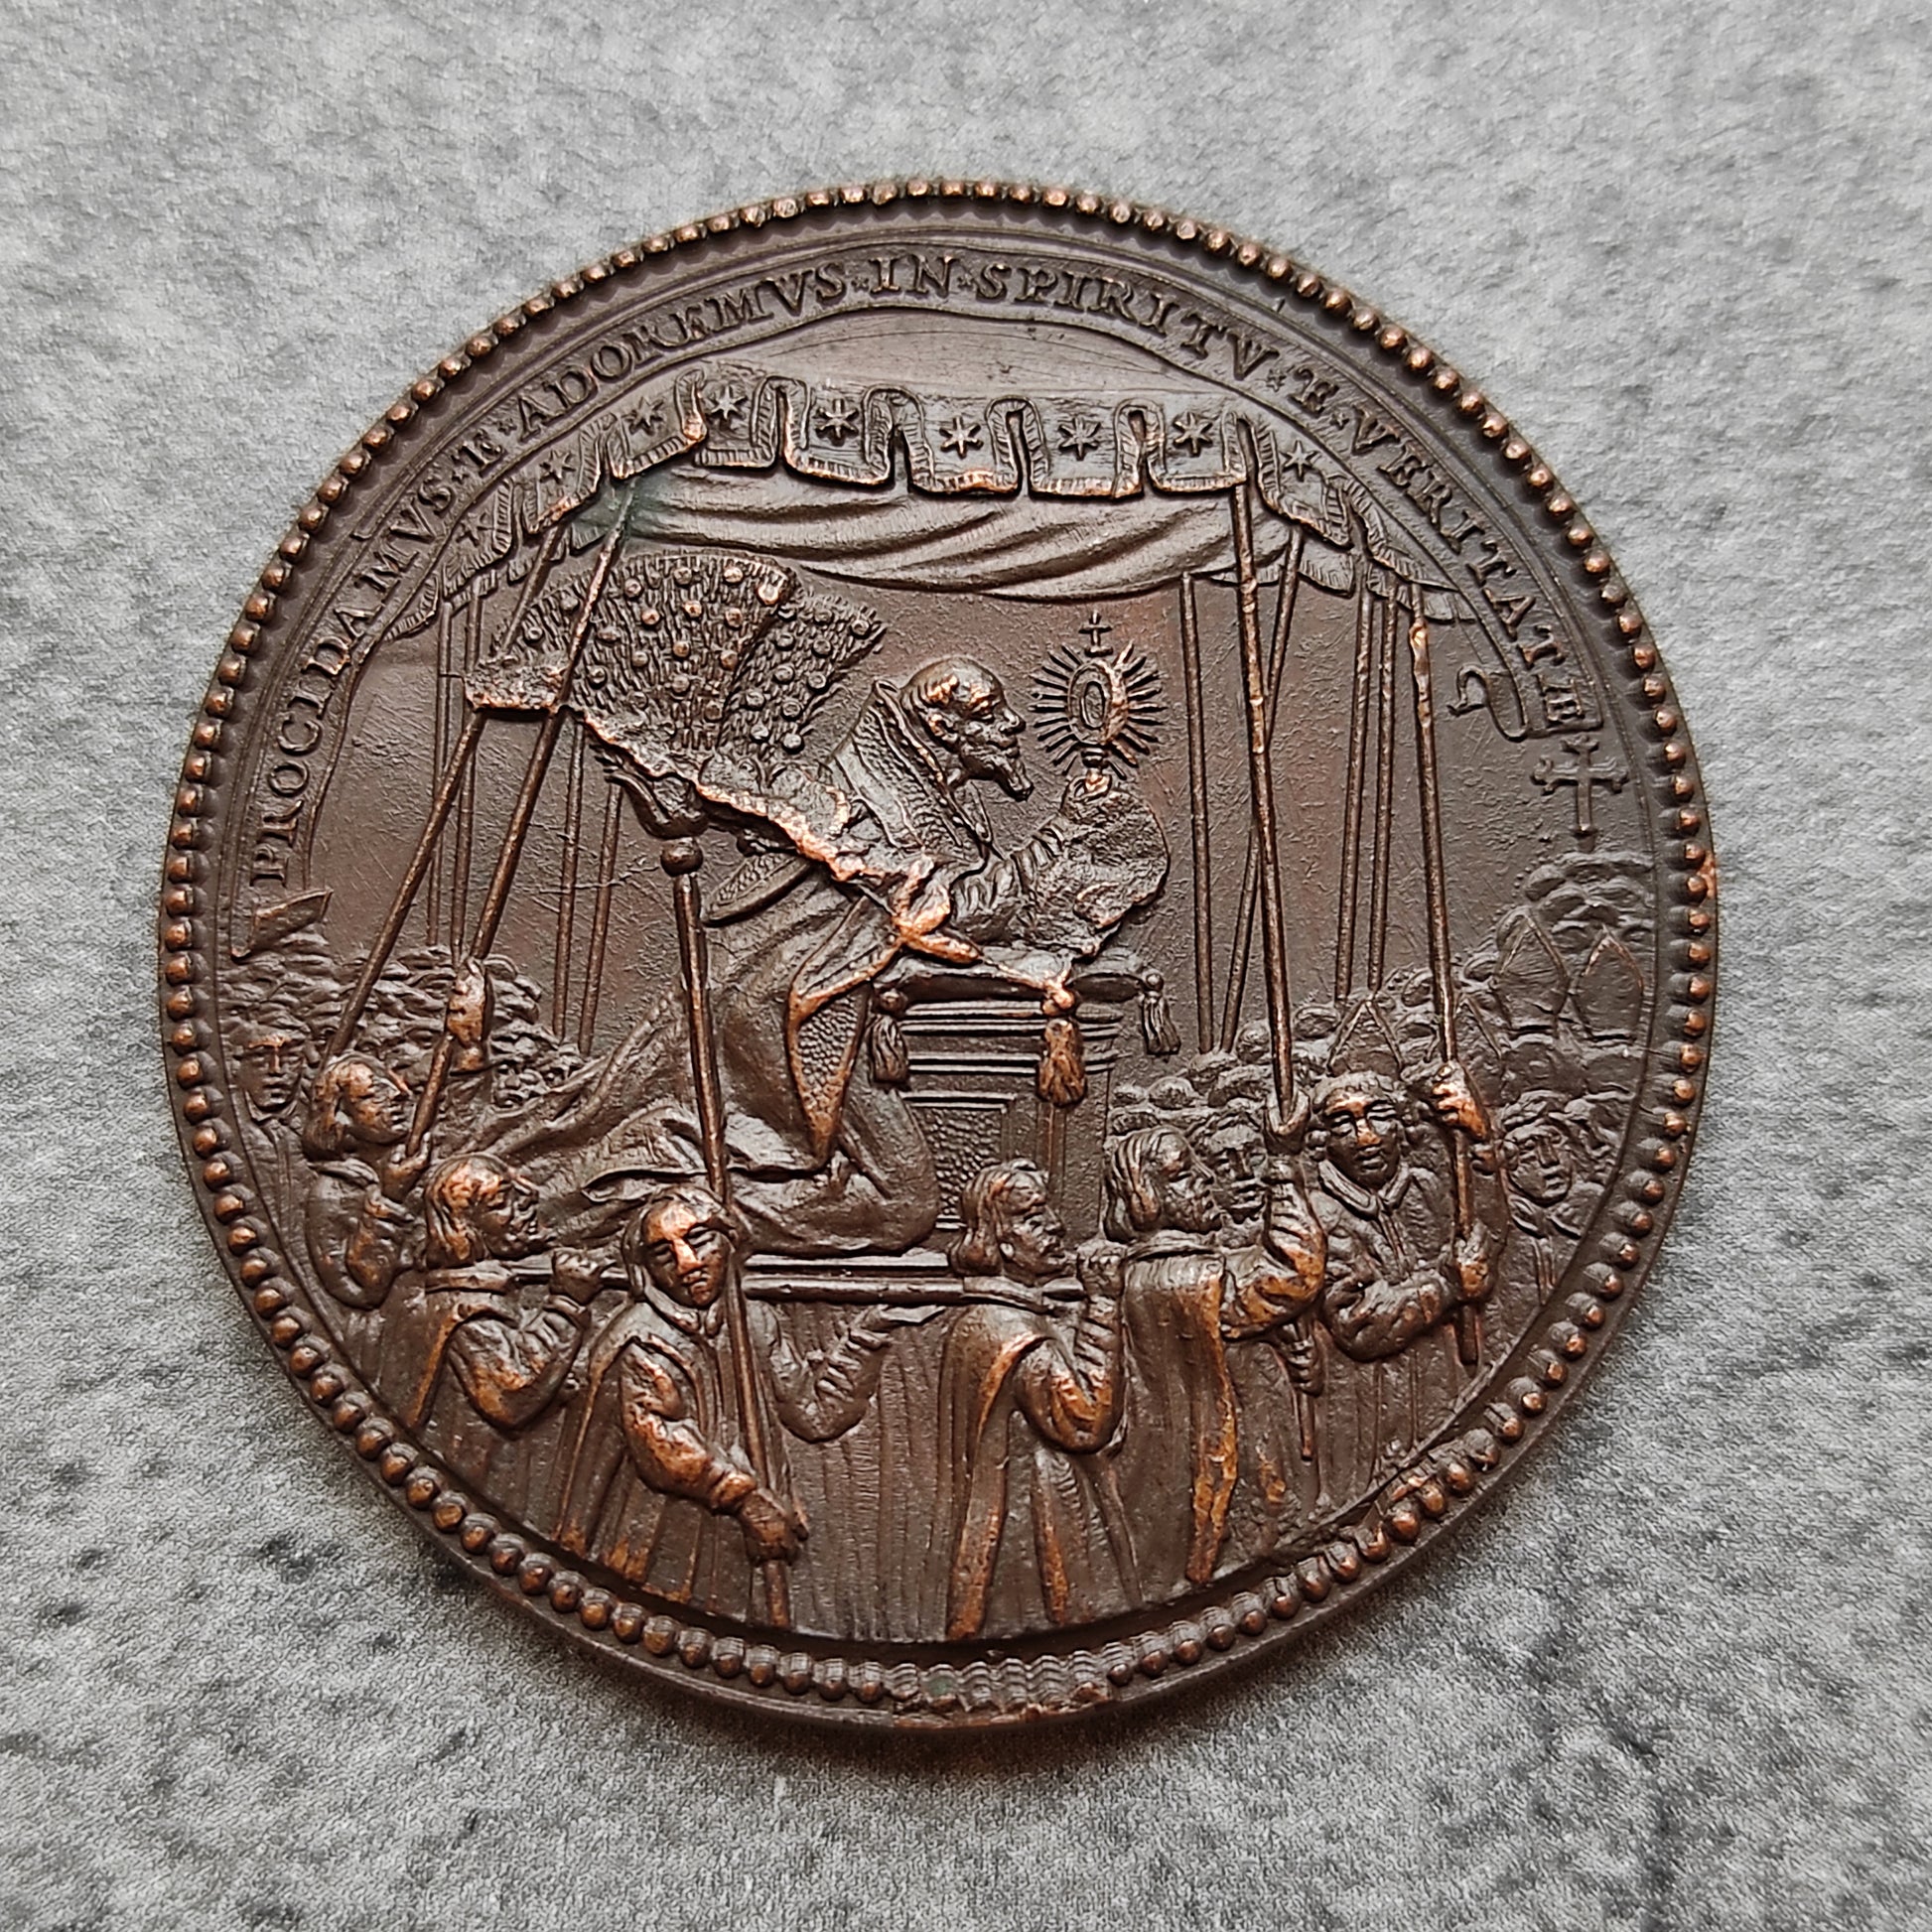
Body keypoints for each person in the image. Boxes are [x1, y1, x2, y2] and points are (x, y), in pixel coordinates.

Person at [506, 657, 1166, 1257]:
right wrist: (1061, 839)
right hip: (792, 1019)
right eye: (991, 713)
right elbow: (948, 911)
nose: (1014, 723)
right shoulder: (874, 812)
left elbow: (962, 915)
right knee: (905, 1204)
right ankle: (667, 1217)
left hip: (828, 1010)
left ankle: (691, 1215)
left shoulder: (931, 793)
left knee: (896, 1201)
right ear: (941, 729)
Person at [557, 1181, 909, 1619]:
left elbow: (811, 1412)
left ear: (729, 1240)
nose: (687, 1263)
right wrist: (745, 1500)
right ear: (646, 1271)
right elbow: (659, 1443)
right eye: (664, 1254)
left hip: (749, 1548)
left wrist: (867, 1336)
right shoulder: (641, 1340)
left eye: (698, 1239)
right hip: (666, 1544)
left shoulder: (752, 1321)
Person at [1104, 1119, 1324, 1597]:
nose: (1205, 1177)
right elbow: (1295, 1272)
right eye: (1183, 1173)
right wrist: (1283, 1164)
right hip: (1219, 1490)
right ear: (1147, 1198)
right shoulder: (1193, 1279)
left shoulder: (1134, 1276)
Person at [936, 1160, 1134, 1639]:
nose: (1056, 1226)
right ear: (999, 1241)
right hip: (1031, 1544)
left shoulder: (980, 1319)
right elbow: (1086, 1422)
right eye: (1032, 1217)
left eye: (1048, 1211)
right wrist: (1102, 1306)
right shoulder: (1014, 1333)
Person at [1304, 1063, 1503, 1498]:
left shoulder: (1425, 1187)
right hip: (1371, 1411)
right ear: (1323, 1142)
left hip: (1441, 1386)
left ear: (1401, 1126)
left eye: (1378, 1116)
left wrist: (1479, 1139)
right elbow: (1358, 1321)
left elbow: (1486, 1237)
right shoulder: (1319, 1214)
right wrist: (1446, 1288)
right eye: (1343, 1124)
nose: (1365, 1137)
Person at [390, 1157, 602, 1512]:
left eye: (519, 1188)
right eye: (502, 1201)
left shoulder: (489, 1290)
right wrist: (565, 1305)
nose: (528, 1198)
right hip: (484, 1480)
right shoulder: (466, 1312)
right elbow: (512, 1396)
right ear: (466, 1228)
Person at [301, 1053, 426, 1312]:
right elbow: (363, 1292)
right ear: (340, 1117)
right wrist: (390, 1199)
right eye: (373, 1095)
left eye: (391, 1088)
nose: (396, 1096)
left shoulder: (417, 1159)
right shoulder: (330, 1195)